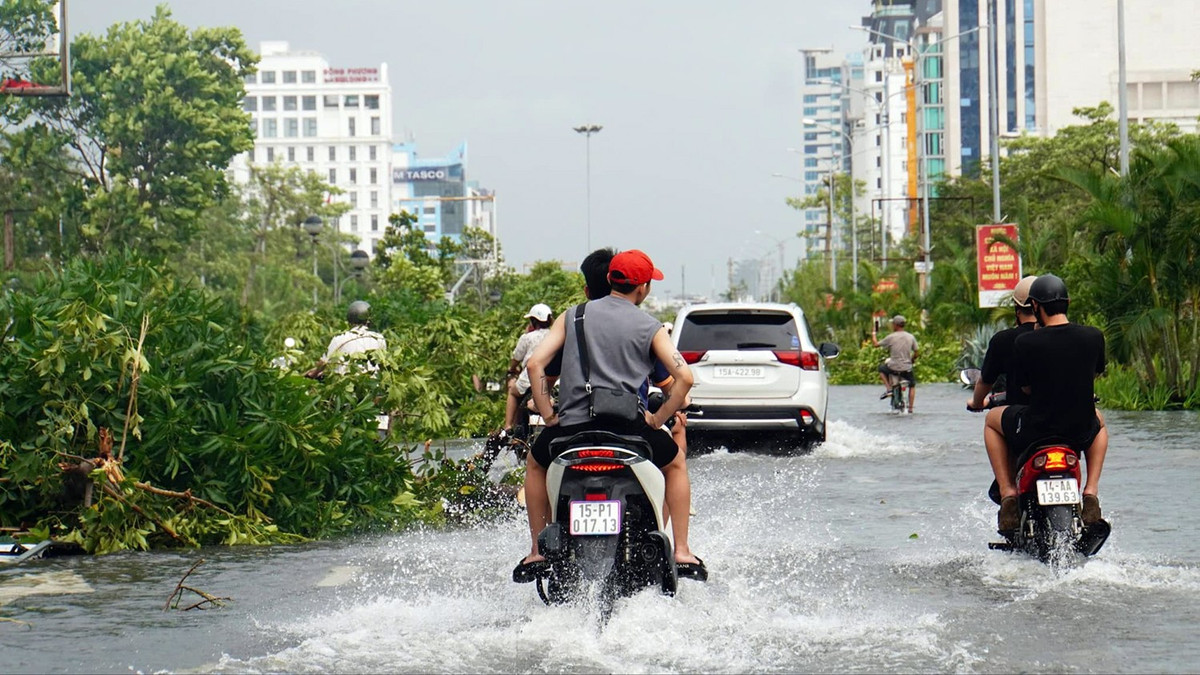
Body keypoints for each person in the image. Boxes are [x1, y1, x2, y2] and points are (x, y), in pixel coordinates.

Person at [514, 249, 704, 581]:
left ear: (610, 278)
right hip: (628, 428)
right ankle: (682, 551)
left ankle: (536, 551)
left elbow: (535, 365)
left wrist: (548, 413)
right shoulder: (650, 326)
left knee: (534, 463)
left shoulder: (573, 316)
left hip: (571, 428)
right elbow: (684, 378)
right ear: (643, 288)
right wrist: (658, 419)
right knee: (675, 463)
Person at [980, 274, 1108, 531]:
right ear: (1067, 302)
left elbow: (1026, 388)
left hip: (1036, 429)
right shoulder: (1093, 336)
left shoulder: (1025, 342)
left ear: (1035, 306)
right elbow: (1093, 374)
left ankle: (1007, 494)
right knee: (1100, 423)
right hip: (1078, 429)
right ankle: (1091, 492)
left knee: (990, 421)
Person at [308, 300, 390, 434]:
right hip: (373, 390)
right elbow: (382, 364)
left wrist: (313, 374)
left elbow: (324, 363)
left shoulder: (339, 339)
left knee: (331, 413)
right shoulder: (379, 339)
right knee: (379, 424)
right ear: (369, 320)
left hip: (347, 392)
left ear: (349, 320)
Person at [967, 275, 1039, 411]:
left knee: (991, 419)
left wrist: (977, 403)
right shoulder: (1067, 337)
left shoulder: (1004, 340)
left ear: (1017, 309)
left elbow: (985, 381)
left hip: (1021, 416)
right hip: (1064, 415)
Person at [502, 303, 553, 432]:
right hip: (553, 378)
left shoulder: (527, 337)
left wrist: (511, 369)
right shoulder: (555, 335)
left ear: (533, 321)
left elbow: (516, 358)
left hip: (529, 379)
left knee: (512, 392)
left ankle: (508, 426)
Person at [872, 314, 919, 413]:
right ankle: (910, 408)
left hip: (893, 367)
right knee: (912, 385)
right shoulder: (911, 337)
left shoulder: (891, 337)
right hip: (906, 368)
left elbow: (876, 344)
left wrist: (873, 334)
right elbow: (916, 352)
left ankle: (889, 389)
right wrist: (912, 359)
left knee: (881, 368)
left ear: (896, 325)